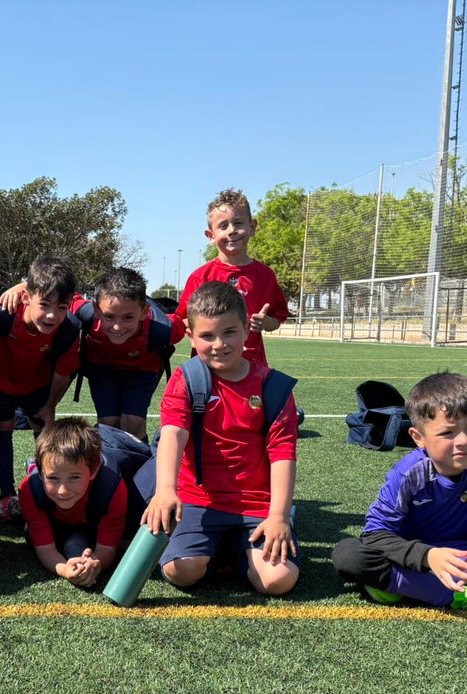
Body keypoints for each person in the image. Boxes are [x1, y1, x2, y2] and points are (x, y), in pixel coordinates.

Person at [332, 372, 467, 616]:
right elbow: (375, 534)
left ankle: (406, 589)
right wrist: (429, 556)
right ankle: (461, 596)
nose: (465, 440)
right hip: (418, 562)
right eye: (448, 433)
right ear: (418, 438)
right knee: (349, 555)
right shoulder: (409, 472)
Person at [142, 281, 300, 596]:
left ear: (247, 331)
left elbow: (283, 453)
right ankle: (223, 551)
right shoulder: (186, 379)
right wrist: (165, 491)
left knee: (278, 581)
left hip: (256, 504)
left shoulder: (272, 387)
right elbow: (173, 433)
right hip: (198, 500)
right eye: (207, 336)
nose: (219, 344)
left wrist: (279, 516)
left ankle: (238, 553)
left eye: (229, 332)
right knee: (181, 571)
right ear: (191, 336)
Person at [0, 255, 81, 521]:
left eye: (61, 307)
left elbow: (62, 373)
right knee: (2, 428)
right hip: (0, 383)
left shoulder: (69, 329)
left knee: (44, 430)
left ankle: (44, 488)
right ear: (26, 298)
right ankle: (6, 496)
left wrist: (50, 406)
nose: (52, 315)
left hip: (39, 384)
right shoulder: (3, 311)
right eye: (44, 305)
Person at [175, 188, 288, 368]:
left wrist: (265, 322)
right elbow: (183, 320)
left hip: (251, 365)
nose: (232, 230)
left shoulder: (265, 275)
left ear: (252, 227)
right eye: (223, 226)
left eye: (238, 223)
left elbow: (277, 318)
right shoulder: (200, 276)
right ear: (210, 235)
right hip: (208, 365)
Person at [77, 267, 186, 441]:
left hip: (142, 370)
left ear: (144, 312)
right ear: (97, 310)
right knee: (108, 423)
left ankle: (138, 465)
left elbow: (191, 322)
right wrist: (21, 286)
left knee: (133, 424)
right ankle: (109, 464)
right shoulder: (87, 315)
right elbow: (60, 295)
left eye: (128, 317)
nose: (117, 327)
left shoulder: (166, 328)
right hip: (102, 367)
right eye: (109, 317)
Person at [19, 417, 127, 588]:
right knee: (35, 536)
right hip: (56, 521)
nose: (63, 490)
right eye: (53, 478)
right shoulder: (30, 490)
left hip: (91, 520)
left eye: (74, 477)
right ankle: (35, 466)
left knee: (81, 542)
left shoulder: (111, 488)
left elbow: (107, 548)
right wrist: (64, 570)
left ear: (94, 470)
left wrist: (95, 564)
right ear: (41, 474)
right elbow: (45, 548)